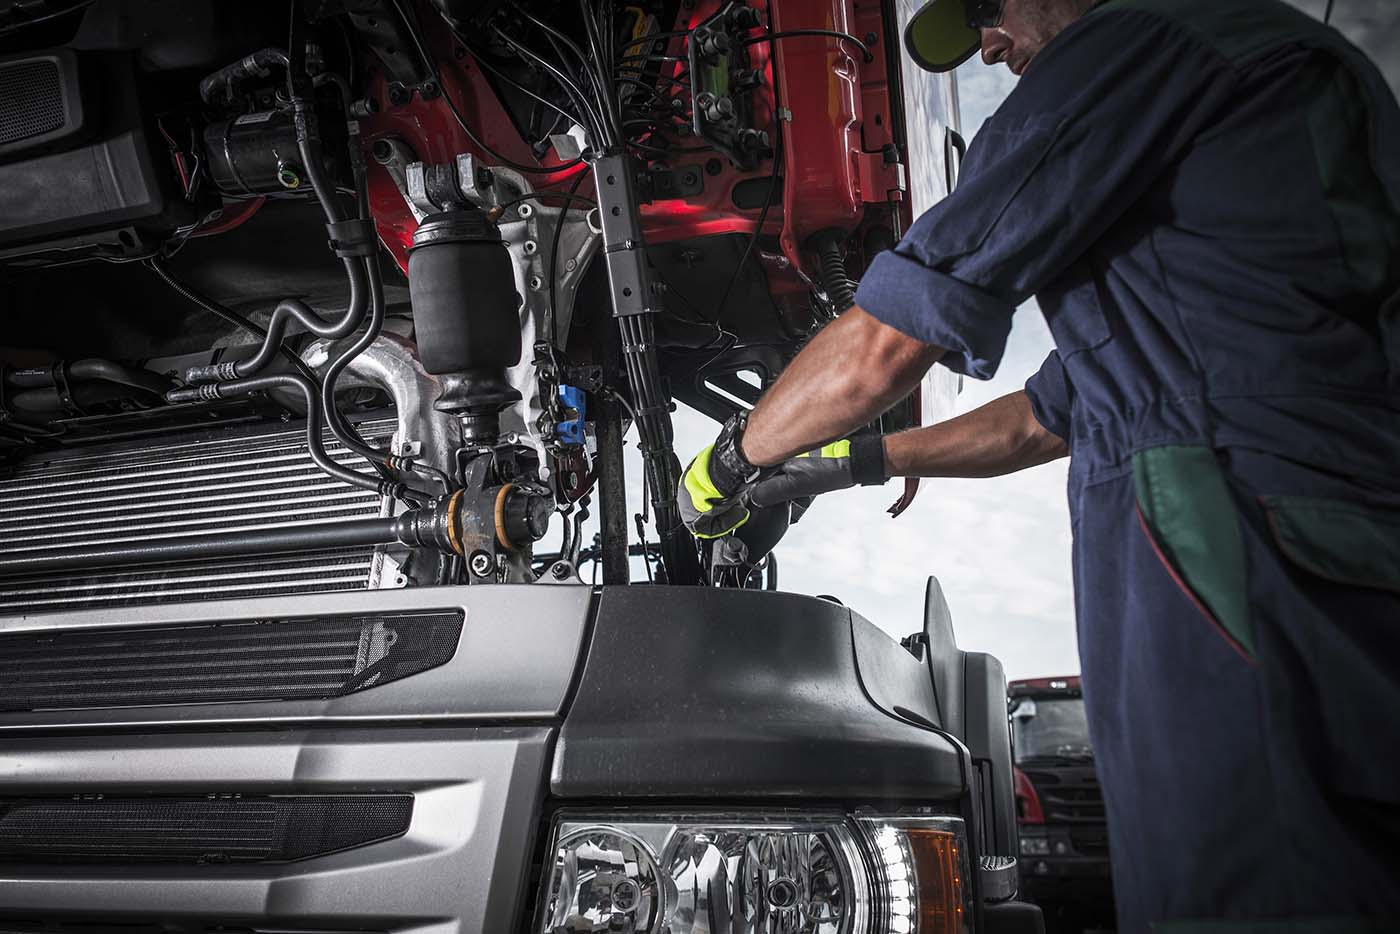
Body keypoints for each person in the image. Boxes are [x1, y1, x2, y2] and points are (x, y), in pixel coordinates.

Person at [679, 0, 1400, 929]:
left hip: (1239, 543)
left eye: (989, 8)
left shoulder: (1136, 48)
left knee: (1249, 887)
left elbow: (883, 347)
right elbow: (1044, 417)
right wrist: (861, 460)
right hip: (1316, 534)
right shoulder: (1252, 87)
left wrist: (728, 462)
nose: (987, 43)